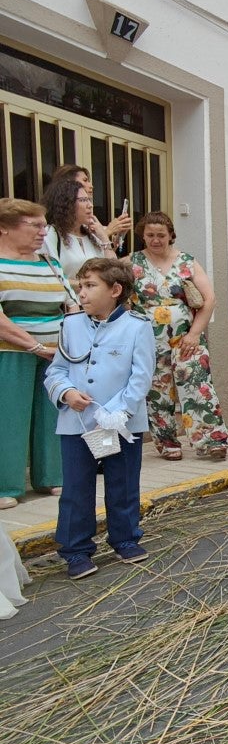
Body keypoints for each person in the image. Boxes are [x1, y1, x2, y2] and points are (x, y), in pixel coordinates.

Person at [45, 258, 154, 579]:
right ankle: (76, 549)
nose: (82, 293)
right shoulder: (70, 325)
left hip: (121, 422)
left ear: (115, 290)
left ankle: (125, 538)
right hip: (77, 423)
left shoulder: (137, 326)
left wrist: (118, 411)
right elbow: (57, 371)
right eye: (80, 286)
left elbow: (141, 376)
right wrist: (66, 393)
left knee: (122, 484)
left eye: (90, 286)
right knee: (76, 489)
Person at [128, 212, 228, 461]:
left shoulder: (186, 262)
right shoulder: (132, 263)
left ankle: (211, 440)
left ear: (170, 235)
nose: (155, 240)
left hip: (185, 338)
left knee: (198, 385)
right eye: (150, 235)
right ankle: (166, 442)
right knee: (157, 391)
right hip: (148, 339)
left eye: (161, 235)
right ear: (143, 236)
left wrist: (195, 333)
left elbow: (209, 300)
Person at [0, 199, 66, 510]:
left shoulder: (50, 263)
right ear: (4, 228)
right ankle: (7, 485)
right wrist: (36, 347)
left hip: (56, 353)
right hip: (10, 353)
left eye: (45, 225)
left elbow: (72, 303)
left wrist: (69, 345)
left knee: (52, 414)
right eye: (35, 225)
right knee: (9, 417)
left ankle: (51, 476)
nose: (43, 232)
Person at [48, 163, 134, 254]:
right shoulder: (53, 233)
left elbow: (100, 259)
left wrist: (118, 237)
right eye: (85, 180)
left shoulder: (89, 225)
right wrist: (108, 231)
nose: (91, 185)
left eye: (88, 200)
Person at [40, 178, 112, 286]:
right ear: (66, 204)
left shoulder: (92, 235)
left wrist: (104, 238)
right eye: (83, 200)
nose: (90, 205)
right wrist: (89, 286)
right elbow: (50, 277)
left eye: (89, 200)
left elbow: (113, 270)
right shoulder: (50, 234)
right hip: (70, 301)